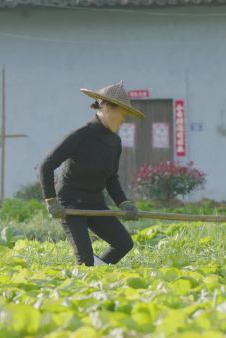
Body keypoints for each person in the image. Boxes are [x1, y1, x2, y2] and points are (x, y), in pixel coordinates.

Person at [39, 81, 146, 266]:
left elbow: (111, 178)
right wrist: (51, 201)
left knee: (123, 244)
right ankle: (83, 281)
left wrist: (124, 203)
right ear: (106, 108)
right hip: (70, 205)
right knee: (85, 261)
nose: (123, 119)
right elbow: (46, 165)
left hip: (95, 204)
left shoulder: (115, 142)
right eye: (122, 113)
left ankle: (94, 276)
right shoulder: (79, 136)